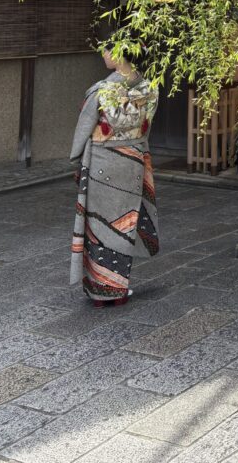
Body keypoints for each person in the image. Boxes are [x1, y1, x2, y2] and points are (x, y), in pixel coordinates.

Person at [70, 46, 159, 306]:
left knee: (98, 225)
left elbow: (85, 128)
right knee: (124, 224)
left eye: (107, 51)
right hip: (132, 159)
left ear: (120, 54)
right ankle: (117, 288)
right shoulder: (150, 88)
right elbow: (144, 129)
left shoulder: (102, 89)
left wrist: (77, 157)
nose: (103, 55)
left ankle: (102, 290)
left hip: (102, 161)